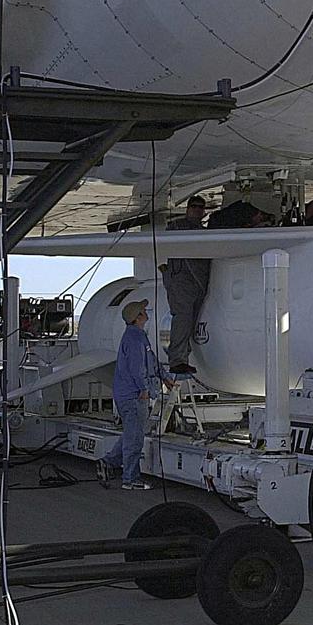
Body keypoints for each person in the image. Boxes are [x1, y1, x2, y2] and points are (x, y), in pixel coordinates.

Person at [99, 300, 174, 490]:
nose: (146, 312)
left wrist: (164, 377)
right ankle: (130, 479)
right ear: (137, 317)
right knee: (134, 439)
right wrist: (143, 389)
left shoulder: (138, 336)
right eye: (142, 311)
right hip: (133, 396)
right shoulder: (134, 339)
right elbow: (137, 368)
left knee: (131, 434)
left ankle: (108, 463)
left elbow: (151, 361)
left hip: (130, 394)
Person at [162, 195, 209, 375]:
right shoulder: (177, 227)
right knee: (182, 319)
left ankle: (183, 358)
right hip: (181, 282)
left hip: (196, 284)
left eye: (200, 207)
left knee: (188, 321)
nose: (197, 210)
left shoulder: (203, 232)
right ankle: (177, 360)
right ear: (188, 208)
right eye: (194, 206)